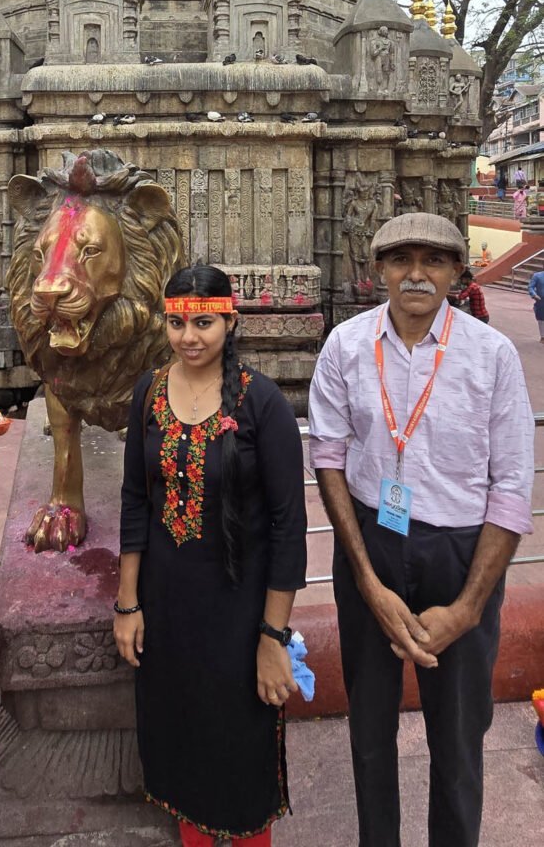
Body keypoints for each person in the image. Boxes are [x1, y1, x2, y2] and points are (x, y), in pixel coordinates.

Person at [308, 212, 534, 847]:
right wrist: (367, 582)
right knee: (370, 733)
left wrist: (466, 609)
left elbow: (512, 488)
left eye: (433, 260)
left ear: (457, 274)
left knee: (459, 741)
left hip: (461, 552)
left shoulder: (491, 357)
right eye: (400, 259)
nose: (415, 274)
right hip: (372, 542)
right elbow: (328, 458)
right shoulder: (346, 345)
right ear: (377, 270)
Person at [116, 264, 307, 845]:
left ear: (230, 320)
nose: (189, 337)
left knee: (240, 756)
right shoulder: (148, 392)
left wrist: (273, 639)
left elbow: (287, 527)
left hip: (240, 614)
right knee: (179, 745)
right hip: (167, 611)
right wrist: (128, 604)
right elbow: (134, 500)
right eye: (177, 323)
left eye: (204, 322)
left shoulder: (262, 403)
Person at [528, 265, 544, 341]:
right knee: (541, 318)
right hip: (541, 300)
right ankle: (542, 336)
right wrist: (534, 294)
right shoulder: (537, 276)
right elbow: (530, 287)